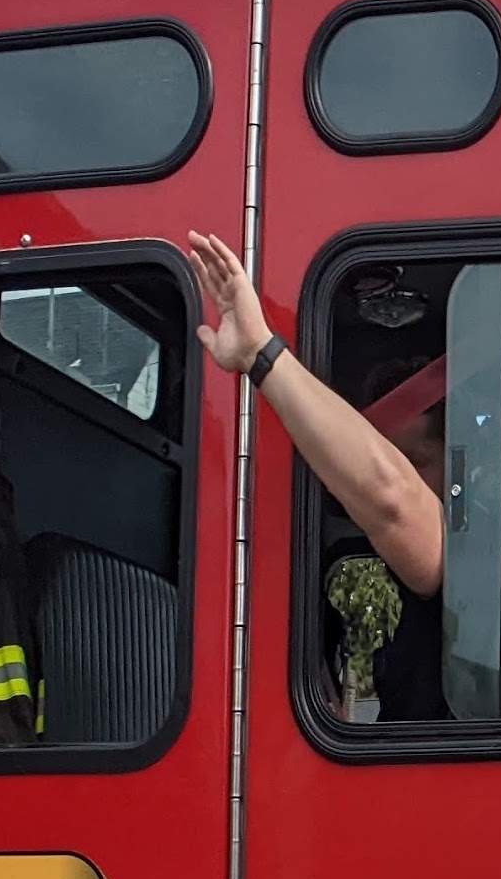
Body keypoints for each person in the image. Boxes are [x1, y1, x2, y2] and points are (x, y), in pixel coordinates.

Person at [187, 230, 451, 717]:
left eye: (417, 462)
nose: (401, 479)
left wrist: (259, 355)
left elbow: (393, 501)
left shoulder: (480, 560)